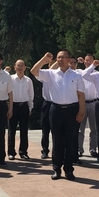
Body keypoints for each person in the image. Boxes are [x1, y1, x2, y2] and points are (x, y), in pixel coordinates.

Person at [31, 50, 85, 180]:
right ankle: (56, 169)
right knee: (57, 140)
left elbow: (81, 94)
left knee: (71, 141)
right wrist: (44, 59)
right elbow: (34, 71)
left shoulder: (76, 75)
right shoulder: (51, 74)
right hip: (56, 110)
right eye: (58, 57)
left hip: (72, 110)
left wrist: (81, 111)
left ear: (69, 60)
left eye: (63, 57)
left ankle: (69, 169)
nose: (60, 60)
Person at [7, 59, 34, 160]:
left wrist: (30, 107)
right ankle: (11, 152)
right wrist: (8, 107)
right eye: (18, 65)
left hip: (24, 106)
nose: (20, 67)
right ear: (15, 67)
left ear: (25, 67)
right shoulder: (10, 79)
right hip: (13, 106)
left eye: (22, 65)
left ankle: (23, 152)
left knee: (24, 130)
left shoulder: (28, 80)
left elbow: (31, 95)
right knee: (11, 130)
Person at [76, 54, 98, 158]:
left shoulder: (97, 74)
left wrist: (93, 66)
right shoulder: (80, 72)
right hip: (82, 102)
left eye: (90, 60)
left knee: (94, 128)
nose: (88, 62)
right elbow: (85, 74)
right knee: (81, 128)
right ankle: (79, 148)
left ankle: (93, 149)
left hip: (93, 102)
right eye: (86, 60)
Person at [37, 59, 58, 159]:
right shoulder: (45, 76)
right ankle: (45, 150)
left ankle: (56, 151)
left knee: (57, 130)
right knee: (45, 130)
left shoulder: (59, 76)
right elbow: (35, 71)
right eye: (51, 64)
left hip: (57, 104)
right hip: (47, 104)